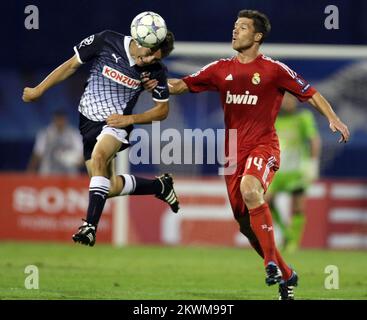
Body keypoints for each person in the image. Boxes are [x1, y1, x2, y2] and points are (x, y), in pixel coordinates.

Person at [145, 10, 350, 300]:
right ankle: (286, 273)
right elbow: (183, 84)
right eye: (234, 27)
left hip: (263, 146)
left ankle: (269, 264)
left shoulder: (274, 70)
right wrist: (158, 82)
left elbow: (310, 92)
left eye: (242, 28)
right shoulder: (219, 69)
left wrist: (333, 118)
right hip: (232, 152)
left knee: (250, 188)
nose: (235, 31)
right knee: (245, 225)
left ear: (257, 36)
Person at [22, 25, 180, 247]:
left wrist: (129, 120)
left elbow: (162, 111)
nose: (150, 60)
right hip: (87, 123)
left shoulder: (156, 70)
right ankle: (159, 187)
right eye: (149, 54)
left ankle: (89, 227)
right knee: (110, 186)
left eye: (156, 58)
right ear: (140, 41)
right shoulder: (106, 41)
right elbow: (70, 66)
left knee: (98, 158)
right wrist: (39, 90)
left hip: (116, 124)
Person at [265, 93, 321, 253]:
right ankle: (287, 234)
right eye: (285, 99)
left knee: (298, 207)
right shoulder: (273, 118)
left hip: (297, 169)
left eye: (291, 99)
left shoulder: (303, 117)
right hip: (276, 169)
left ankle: (292, 244)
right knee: (266, 200)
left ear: (296, 101)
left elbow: (314, 139)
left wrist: (313, 163)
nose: (288, 102)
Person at [27, 109, 84, 175]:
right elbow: (38, 154)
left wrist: (74, 160)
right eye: (58, 119)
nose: (60, 122)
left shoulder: (74, 134)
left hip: (69, 175)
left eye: (62, 119)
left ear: (66, 120)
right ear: (54, 119)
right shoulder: (45, 134)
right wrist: (31, 171)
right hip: (48, 174)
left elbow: (82, 156)